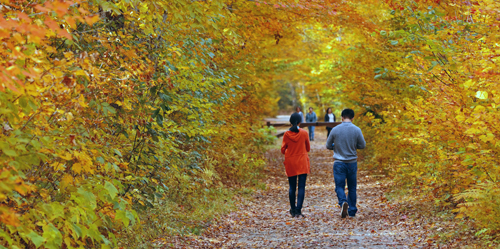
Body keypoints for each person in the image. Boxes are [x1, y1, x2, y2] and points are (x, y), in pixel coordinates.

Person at [325, 108, 366, 218]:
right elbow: (362, 145)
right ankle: (352, 211)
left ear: (342, 117)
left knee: (339, 186)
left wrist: (336, 146)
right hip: (352, 162)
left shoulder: (335, 130)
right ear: (353, 118)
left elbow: (328, 145)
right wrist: (353, 146)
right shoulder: (357, 130)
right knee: (352, 187)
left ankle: (343, 202)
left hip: (339, 163)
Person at [281, 113, 310, 218]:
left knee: (292, 187)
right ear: (300, 122)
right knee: (301, 187)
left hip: (291, 163)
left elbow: (283, 150)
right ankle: (298, 210)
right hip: (302, 162)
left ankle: (292, 210)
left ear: (290, 122)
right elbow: (308, 148)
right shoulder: (304, 133)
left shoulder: (286, 134)